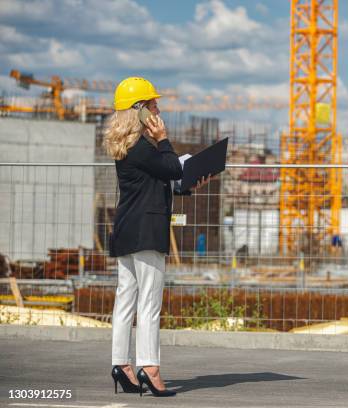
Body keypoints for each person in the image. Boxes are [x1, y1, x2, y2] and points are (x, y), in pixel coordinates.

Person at [104, 77, 210, 397]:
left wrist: (179, 176)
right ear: (139, 111)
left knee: (126, 301)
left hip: (126, 229)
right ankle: (150, 367)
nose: (158, 108)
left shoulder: (126, 147)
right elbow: (172, 169)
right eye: (153, 104)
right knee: (149, 303)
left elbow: (159, 178)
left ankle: (121, 365)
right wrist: (164, 139)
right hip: (147, 231)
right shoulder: (144, 147)